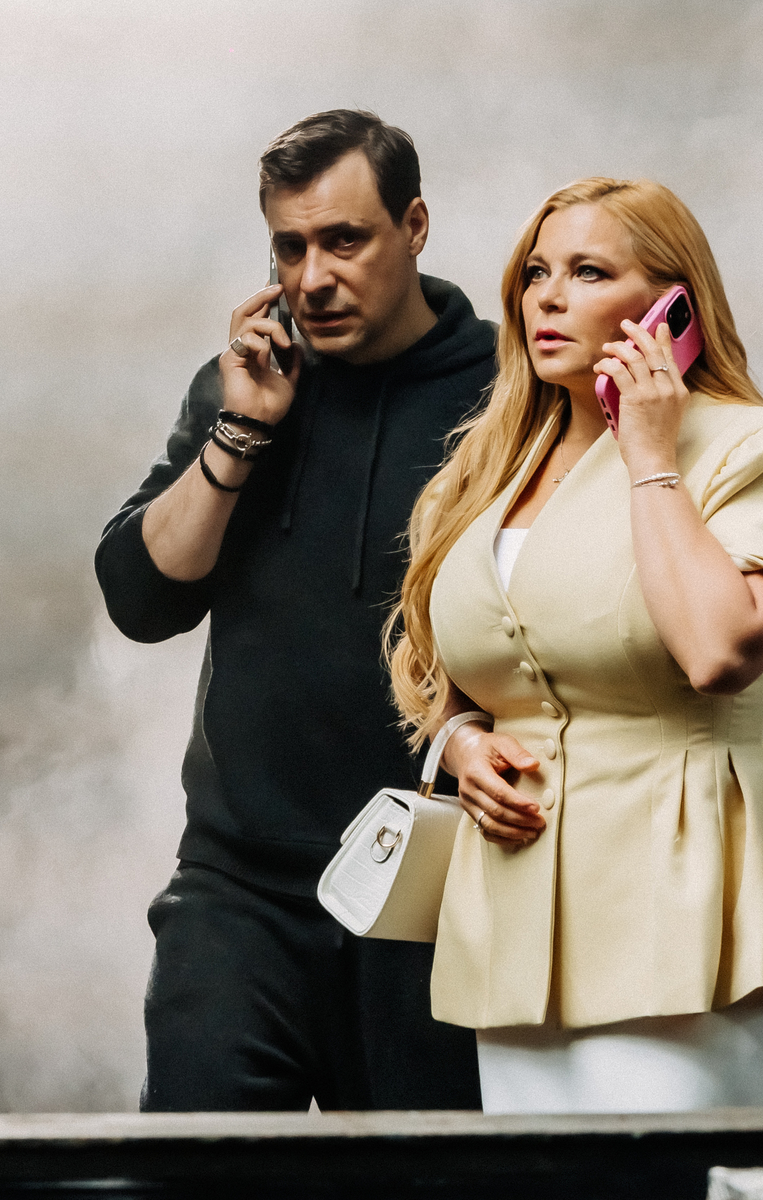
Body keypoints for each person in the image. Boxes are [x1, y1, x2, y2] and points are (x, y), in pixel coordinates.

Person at [385, 177, 763, 1114]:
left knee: (664, 1175)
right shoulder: (491, 467)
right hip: (513, 901)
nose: (547, 297)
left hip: (680, 890)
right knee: (537, 1182)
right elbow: (469, 672)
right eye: (536, 273)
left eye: (587, 271)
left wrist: (651, 457)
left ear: (671, 304)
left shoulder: (757, 449)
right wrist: (458, 744)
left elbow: (719, 652)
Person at [96, 110, 491, 1112]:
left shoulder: (511, 393)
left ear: (414, 226)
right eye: (289, 246)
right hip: (240, 889)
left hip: (433, 889)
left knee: (429, 1182)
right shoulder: (248, 380)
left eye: (344, 241)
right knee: (203, 1173)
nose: (312, 277)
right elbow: (139, 598)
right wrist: (239, 433)